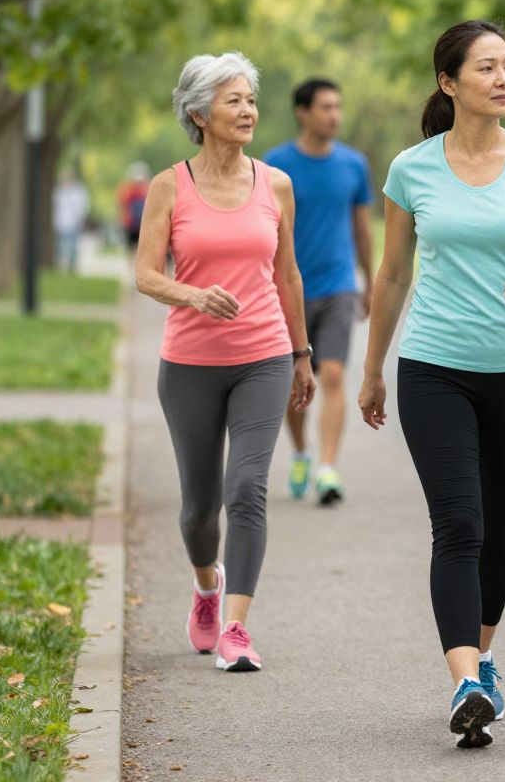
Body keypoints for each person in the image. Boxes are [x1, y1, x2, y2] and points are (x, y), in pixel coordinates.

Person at [358, 20, 505, 749]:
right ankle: (465, 681)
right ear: (449, 83)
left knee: (502, 530)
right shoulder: (412, 169)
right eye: (488, 68)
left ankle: (482, 655)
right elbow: (391, 275)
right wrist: (371, 371)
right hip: (434, 367)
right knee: (459, 524)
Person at [135, 52, 316, 673]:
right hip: (188, 362)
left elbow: (287, 274)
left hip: (262, 356)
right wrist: (192, 294)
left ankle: (236, 627)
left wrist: (301, 354)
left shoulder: (276, 184)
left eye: (250, 100)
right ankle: (206, 589)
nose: (247, 111)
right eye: (233, 100)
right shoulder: (170, 185)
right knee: (198, 509)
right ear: (198, 112)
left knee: (247, 487)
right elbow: (145, 274)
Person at [265, 78, 375, 505]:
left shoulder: (354, 165)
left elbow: (362, 228)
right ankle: (301, 452)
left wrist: (367, 278)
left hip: (339, 287)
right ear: (302, 112)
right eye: (326, 107)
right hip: (288, 290)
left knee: (332, 375)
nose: (335, 116)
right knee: (296, 383)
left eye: (338, 107)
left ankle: (328, 468)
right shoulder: (275, 164)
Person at [53, 170, 89, 275]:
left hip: (73, 224)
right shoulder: (58, 193)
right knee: (60, 247)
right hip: (60, 224)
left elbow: (81, 208)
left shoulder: (77, 193)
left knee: (73, 247)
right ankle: (60, 267)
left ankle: (71, 268)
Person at [118, 162, 150, 248]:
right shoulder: (129, 189)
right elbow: (122, 204)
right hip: (131, 222)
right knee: (131, 244)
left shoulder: (146, 189)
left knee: (140, 244)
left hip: (142, 222)